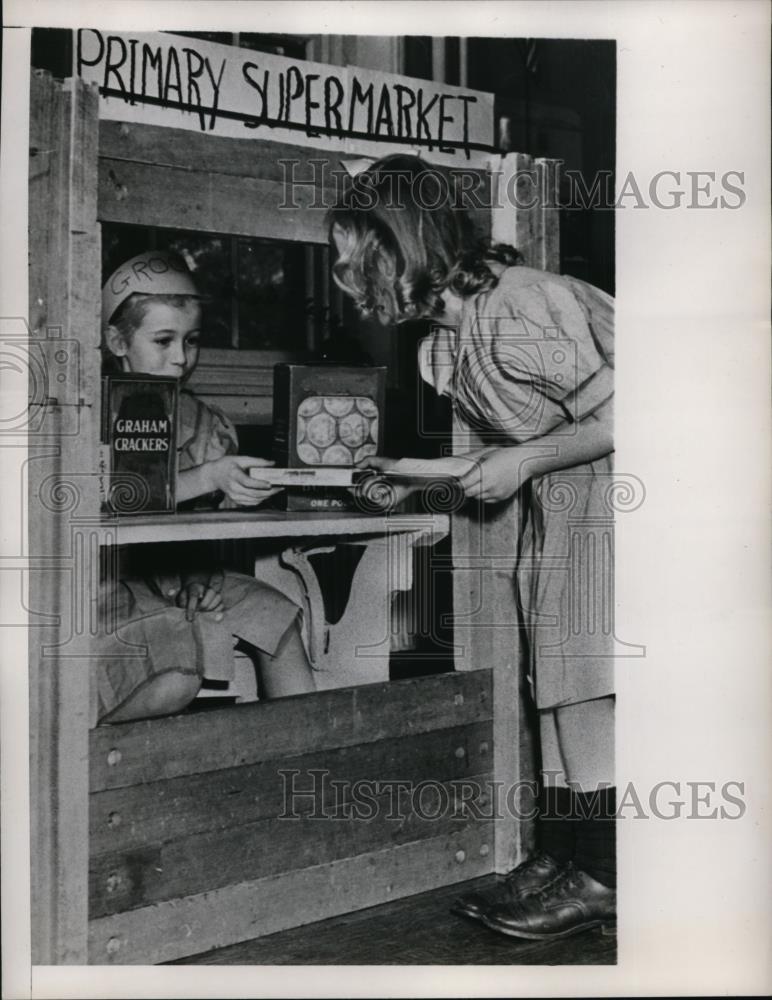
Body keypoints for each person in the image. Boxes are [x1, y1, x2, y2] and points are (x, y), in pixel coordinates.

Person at [329, 155, 617, 940]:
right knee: (553, 676)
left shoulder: (522, 305)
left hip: (628, 495)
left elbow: (636, 411)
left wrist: (523, 462)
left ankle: (609, 875)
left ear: (404, 246)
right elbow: (512, 450)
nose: (345, 280)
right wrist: (407, 470)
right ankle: (572, 851)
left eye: (355, 261)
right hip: (569, 496)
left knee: (587, 677)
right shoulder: (448, 343)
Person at [93, 250, 315, 726]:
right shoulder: (89, 415)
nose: (180, 358)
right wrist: (209, 477)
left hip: (183, 576)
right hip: (109, 584)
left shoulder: (205, 423)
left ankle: (301, 753)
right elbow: (115, 496)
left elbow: (206, 527)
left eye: (191, 341)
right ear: (117, 340)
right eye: (163, 340)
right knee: (170, 657)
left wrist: (199, 579)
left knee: (277, 614)